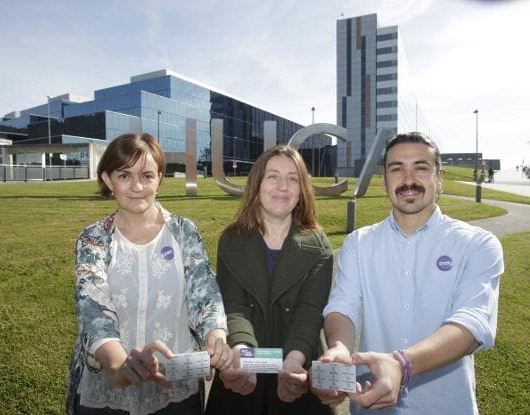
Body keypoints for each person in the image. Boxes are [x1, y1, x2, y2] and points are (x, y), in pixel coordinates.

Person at [314, 132, 504, 414]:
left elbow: (473, 324)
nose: (408, 179)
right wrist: (340, 348)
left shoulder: (477, 244)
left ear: (439, 178)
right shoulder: (359, 243)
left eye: (420, 167)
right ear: (385, 179)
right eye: (396, 169)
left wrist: (402, 364)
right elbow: (343, 305)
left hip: (445, 407)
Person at [65, 133, 233, 415]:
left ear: (160, 179)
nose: (137, 187)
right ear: (108, 180)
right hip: (108, 386)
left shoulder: (183, 231)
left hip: (176, 387)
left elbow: (204, 292)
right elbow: (92, 306)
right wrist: (118, 365)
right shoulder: (94, 238)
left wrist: (215, 337)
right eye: (124, 176)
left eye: (146, 176)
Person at [205, 145, 334, 415]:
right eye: (273, 176)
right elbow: (234, 305)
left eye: (292, 178)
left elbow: (310, 312)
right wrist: (241, 351)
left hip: (296, 370)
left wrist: (295, 360)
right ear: (257, 184)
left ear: (302, 190)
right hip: (241, 377)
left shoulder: (319, 245)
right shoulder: (231, 240)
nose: (282, 187)